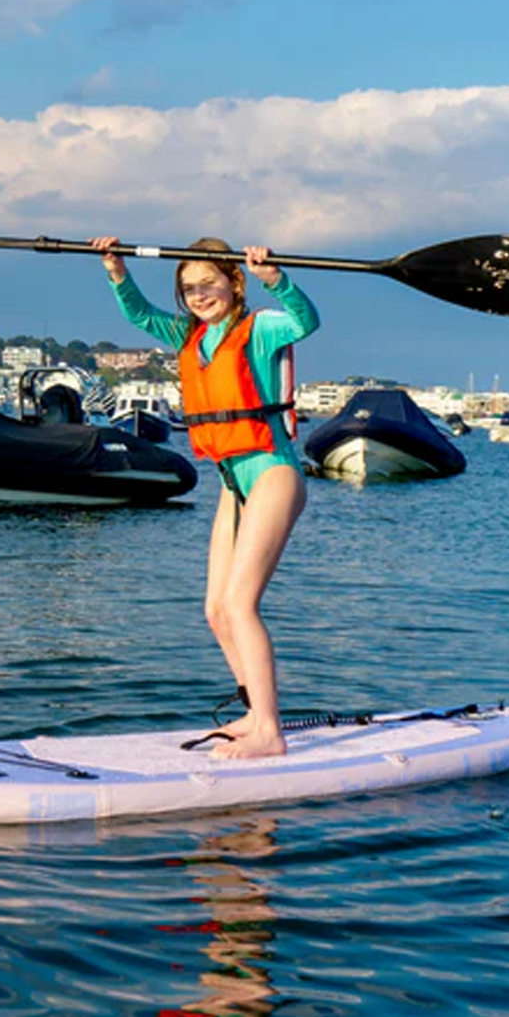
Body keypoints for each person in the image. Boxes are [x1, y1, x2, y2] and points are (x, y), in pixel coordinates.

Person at [91, 234, 320, 759]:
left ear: (233, 283)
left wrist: (276, 279)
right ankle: (252, 710)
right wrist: (116, 269)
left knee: (241, 603)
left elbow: (305, 321)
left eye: (209, 284)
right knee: (217, 610)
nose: (198, 295)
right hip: (232, 483)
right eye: (189, 288)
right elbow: (141, 317)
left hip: (273, 473)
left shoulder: (258, 328)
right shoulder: (187, 336)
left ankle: (269, 731)